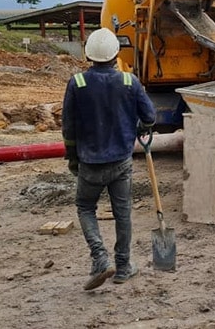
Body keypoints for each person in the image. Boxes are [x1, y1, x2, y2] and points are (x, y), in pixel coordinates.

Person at [62, 28, 156, 291]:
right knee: (122, 213)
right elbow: (150, 118)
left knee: (84, 207)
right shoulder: (129, 81)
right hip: (121, 162)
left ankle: (100, 258)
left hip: (90, 162)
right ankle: (123, 266)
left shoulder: (77, 83)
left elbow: (68, 128)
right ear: (116, 54)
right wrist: (137, 125)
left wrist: (72, 158)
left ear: (88, 55)